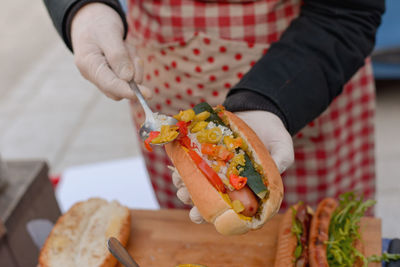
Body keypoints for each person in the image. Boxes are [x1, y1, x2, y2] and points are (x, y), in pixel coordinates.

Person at [43, 0, 384, 222]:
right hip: (164, 69)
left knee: (316, 232)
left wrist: (271, 102)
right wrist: (83, 9)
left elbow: (348, 10)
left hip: (305, 75)